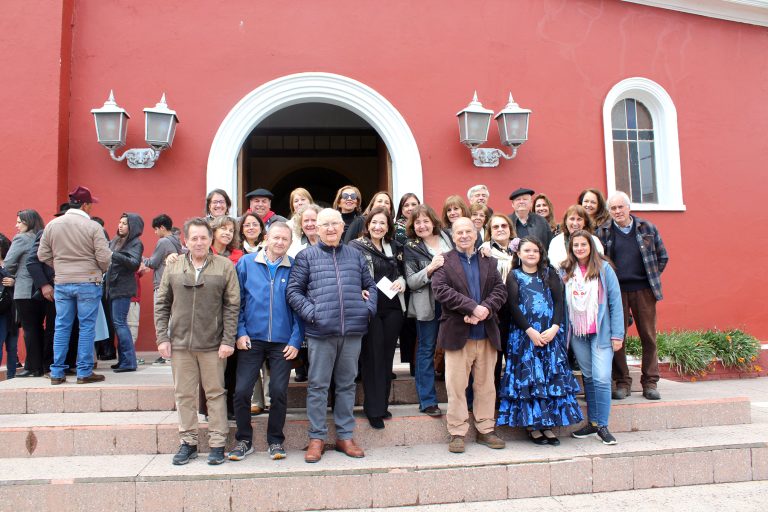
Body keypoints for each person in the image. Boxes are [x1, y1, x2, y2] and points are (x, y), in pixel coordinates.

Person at [287, 208, 377, 463]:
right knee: (318, 385)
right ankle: (316, 438)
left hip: (352, 331)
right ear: (316, 228)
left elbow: (370, 286)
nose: (330, 229)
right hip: (321, 332)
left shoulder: (355, 255)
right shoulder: (306, 256)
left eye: (334, 224)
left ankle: (344, 436)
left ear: (342, 227)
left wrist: (366, 310)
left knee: (347, 384)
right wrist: (314, 314)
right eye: (324, 224)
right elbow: (293, 291)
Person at [155, 217, 240, 465]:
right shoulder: (174, 266)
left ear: (211, 239)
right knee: (184, 394)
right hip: (180, 344)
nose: (199, 242)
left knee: (215, 394)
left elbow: (232, 305)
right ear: (186, 240)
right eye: (194, 238)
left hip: (213, 344)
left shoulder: (224, 266)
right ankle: (188, 442)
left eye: (204, 237)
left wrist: (228, 340)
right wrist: (162, 337)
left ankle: (217, 443)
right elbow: (162, 303)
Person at [431, 217, 508, 453]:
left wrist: (484, 309)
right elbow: (440, 290)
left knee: (486, 386)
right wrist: (472, 308)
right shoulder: (444, 261)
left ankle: (486, 429)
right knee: (456, 387)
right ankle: (457, 432)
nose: (464, 235)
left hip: (486, 333)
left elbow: (500, 290)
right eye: (459, 232)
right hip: (457, 334)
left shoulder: (489, 261)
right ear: (452, 236)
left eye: (468, 232)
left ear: (476, 235)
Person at [497, 236, 583, 445]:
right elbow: (513, 307)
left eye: (535, 250)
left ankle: (547, 425)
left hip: (549, 335)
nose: (531, 254)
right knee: (531, 380)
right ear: (519, 253)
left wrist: (554, 328)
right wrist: (530, 331)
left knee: (548, 378)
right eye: (527, 250)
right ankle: (533, 426)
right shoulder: (514, 276)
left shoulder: (549, 273)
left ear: (540, 253)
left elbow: (559, 302)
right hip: (525, 337)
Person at [229, 222, 302, 461]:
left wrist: (296, 339)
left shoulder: (295, 267)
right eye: (276, 237)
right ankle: (244, 440)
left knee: (279, 391)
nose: (280, 242)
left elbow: (300, 306)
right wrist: (240, 332)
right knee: (242, 391)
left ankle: (275, 440)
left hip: (283, 341)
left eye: (285, 239)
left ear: (290, 243)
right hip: (252, 338)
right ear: (266, 238)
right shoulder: (246, 263)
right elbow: (237, 301)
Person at [596, 191, 669, 401]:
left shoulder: (647, 228)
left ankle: (650, 382)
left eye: (621, 207)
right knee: (617, 336)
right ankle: (622, 382)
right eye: (613, 208)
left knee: (648, 336)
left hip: (644, 290)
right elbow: (598, 261)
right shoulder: (603, 232)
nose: (617, 211)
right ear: (609, 211)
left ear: (629, 207)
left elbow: (662, 256)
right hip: (616, 291)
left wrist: (650, 277)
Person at [38, 186, 112, 385]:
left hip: (62, 281)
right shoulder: (93, 227)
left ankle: (57, 372)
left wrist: (61, 266)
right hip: (88, 281)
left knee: (62, 326)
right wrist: (98, 269)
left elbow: (42, 255)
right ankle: (84, 371)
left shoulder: (53, 225)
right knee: (86, 327)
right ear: (85, 205)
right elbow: (104, 258)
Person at [560, 230, 624, 445]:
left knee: (602, 378)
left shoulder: (604, 269)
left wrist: (618, 334)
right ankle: (593, 423)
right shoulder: (565, 270)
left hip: (601, 332)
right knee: (588, 376)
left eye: (583, 244)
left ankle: (603, 426)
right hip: (578, 333)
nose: (579, 248)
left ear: (591, 246)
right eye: (575, 245)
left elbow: (615, 302)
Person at [350, 206, 406, 429]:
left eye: (382, 223)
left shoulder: (394, 246)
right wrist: (358, 289)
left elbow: (403, 272)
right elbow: (349, 273)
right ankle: (372, 410)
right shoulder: (355, 247)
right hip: (370, 308)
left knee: (386, 357)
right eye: (374, 222)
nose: (378, 226)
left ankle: (382, 405)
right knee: (372, 357)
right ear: (367, 224)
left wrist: (401, 281)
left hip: (393, 307)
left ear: (388, 226)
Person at [403, 204, 453, 416]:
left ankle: (463, 398)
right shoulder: (411, 246)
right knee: (426, 350)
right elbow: (411, 281)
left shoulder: (448, 237)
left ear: (433, 221)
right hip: (428, 304)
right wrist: (430, 268)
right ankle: (428, 401)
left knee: (457, 349)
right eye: (417, 222)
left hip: (453, 302)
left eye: (425, 221)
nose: (422, 225)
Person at [3, 209, 45, 378]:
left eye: (19, 222)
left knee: (29, 329)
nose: (16, 225)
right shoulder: (41, 236)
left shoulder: (21, 238)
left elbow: (8, 263)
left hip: (24, 289)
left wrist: (13, 275)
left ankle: (32, 367)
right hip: (40, 288)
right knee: (38, 328)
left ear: (28, 222)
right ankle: (39, 365)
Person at [478, 213, 517, 393]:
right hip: (496, 310)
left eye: (504, 226)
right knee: (495, 355)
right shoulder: (484, 251)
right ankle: (494, 399)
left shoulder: (521, 248)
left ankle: (515, 397)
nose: (500, 229)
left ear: (510, 229)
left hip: (519, 309)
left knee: (516, 355)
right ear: (490, 231)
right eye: (496, 227)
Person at [238, 212, 270, 414]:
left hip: (270, 311)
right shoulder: (237, 252)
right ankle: (257, 400)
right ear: (241, 229)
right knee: (253, 361)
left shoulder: (269, 248)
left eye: (255, 224)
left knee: (270, 362)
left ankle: (270, 397)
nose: (251, 228)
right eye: (247, 225)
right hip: (249, 311)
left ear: (261, 228)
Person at [286, 203, 322, 381]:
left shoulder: (330, 243)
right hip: (304, 302)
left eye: (313, 220)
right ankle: (302, 368)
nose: (309, 224)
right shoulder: (295, 247)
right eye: (305, 221)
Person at [105, 213, 144, 373]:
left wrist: (114, 255)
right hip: (113, 287)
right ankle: (123, 360)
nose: (120, 225)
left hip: (123, 287)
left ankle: (129, 361)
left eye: (124, 223)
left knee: (120, 323)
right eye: (120, 222)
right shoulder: (116, 240)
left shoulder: (136, 243)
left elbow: (134, 263)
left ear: (132, 226)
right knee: (118, 324)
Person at [548, 205, 604, 271]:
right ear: (566, 221)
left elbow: (599, 263)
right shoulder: (556, 241)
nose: (575, 223)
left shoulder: (594, 240)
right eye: (572, 219)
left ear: (585, 222)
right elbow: (553, 265)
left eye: (579, 219)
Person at [142, 214, 183, 296]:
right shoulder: (177, 241)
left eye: (156, 229)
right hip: (173, 284)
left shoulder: (163, 241)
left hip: (162, 284)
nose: (155, 232)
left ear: (162, 228)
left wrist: (139, 257)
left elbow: (152, 263)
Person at [0, 233, 18, 379]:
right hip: (1, 311)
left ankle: (12, 376)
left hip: (12, 309)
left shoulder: (11, 263)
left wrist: (14, 282)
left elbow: (22, 279)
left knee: (12, 345)